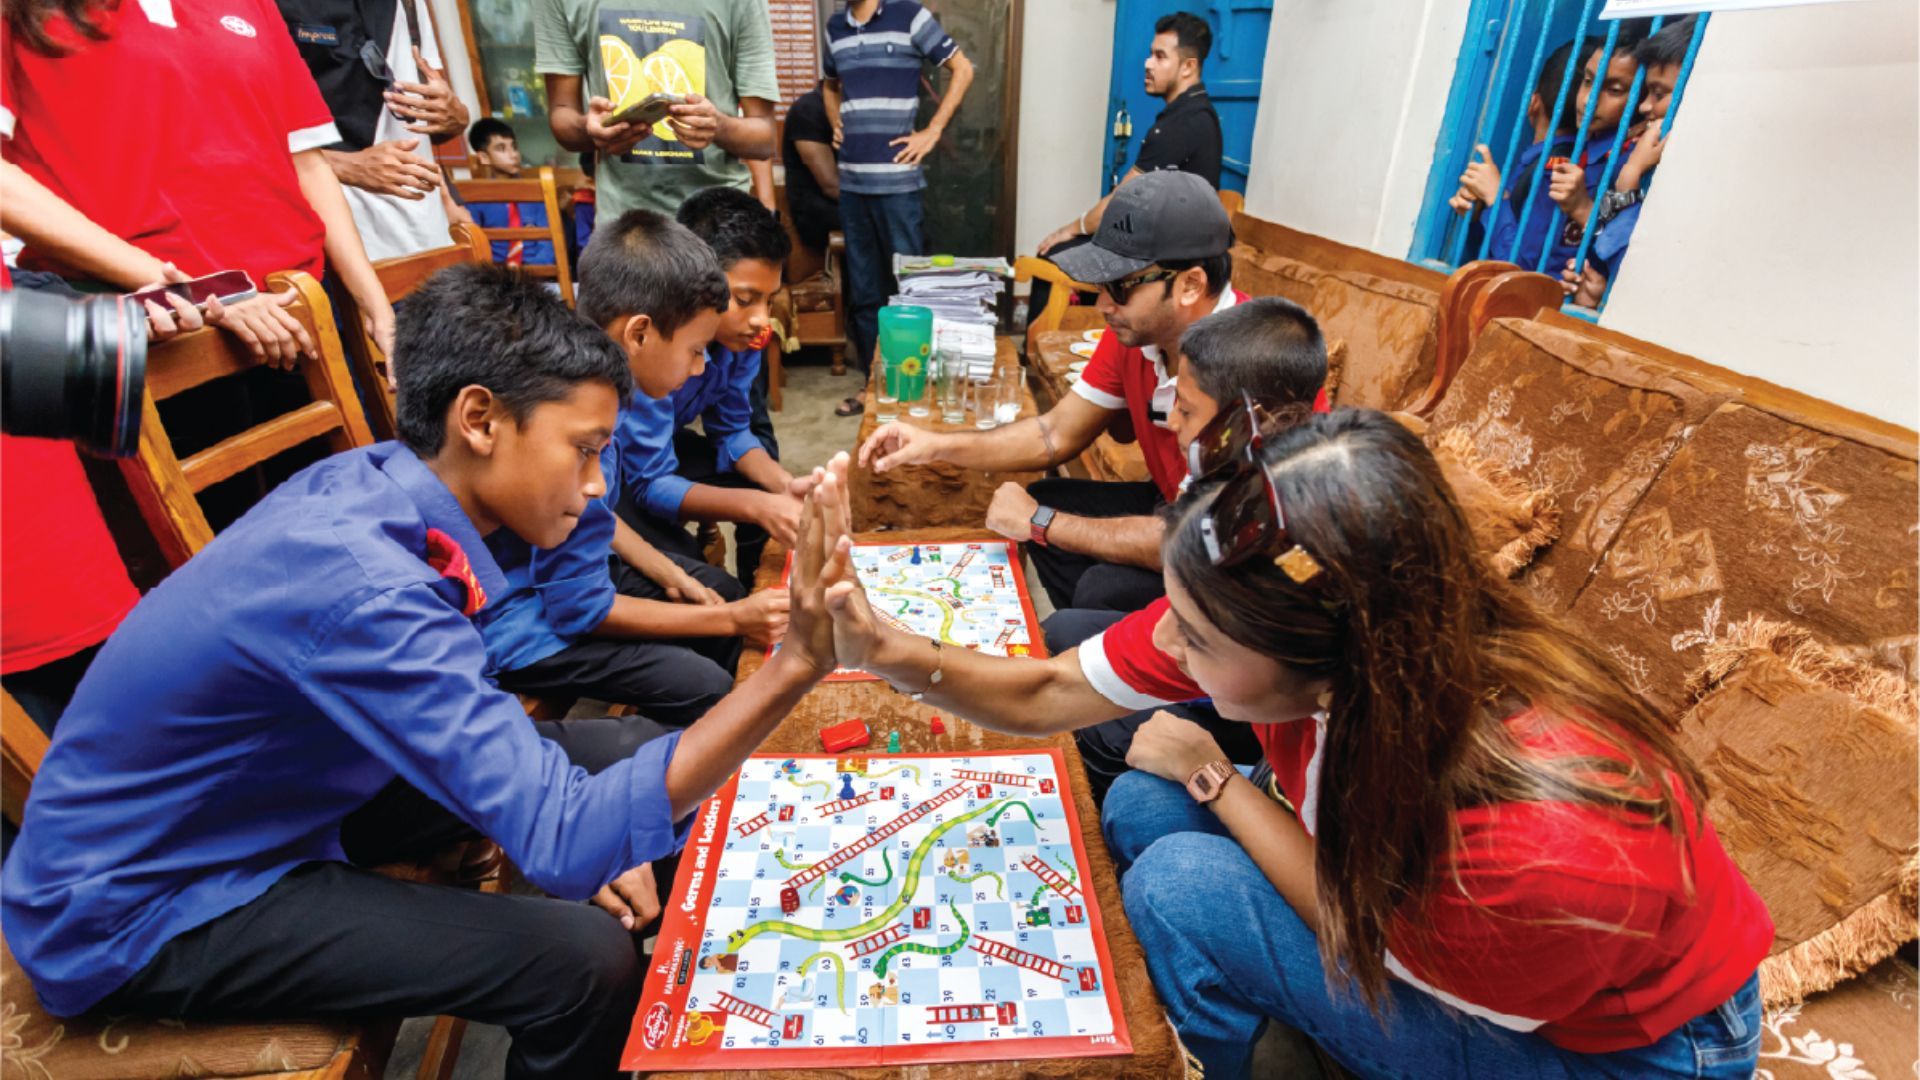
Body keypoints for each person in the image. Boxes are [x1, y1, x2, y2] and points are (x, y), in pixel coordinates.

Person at [2, 264, 855, 1080]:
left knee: (626, 745)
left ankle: (671, 996)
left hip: (277, 794)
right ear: (479, 419)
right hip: (154, 900)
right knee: (579, 960)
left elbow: (485, 739)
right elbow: (560, 843)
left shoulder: (378, 480)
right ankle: (615, 1013)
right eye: (585, 450)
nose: (599, 487)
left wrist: (577, 819)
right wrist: (794, 666)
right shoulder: (368, 588)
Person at [820, 408, 1772, 1080]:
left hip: (1615, 1053)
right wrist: (880, 648)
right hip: (1413, 903)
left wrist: (1214, 778)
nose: (1170, 646)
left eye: (1198, 639)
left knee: (1176, 882)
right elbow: (1046, 691)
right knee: (1142, 803)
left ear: (1325, 652)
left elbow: (1363, 929)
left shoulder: (1538, 845)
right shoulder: (1312, 630)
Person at [859, 169, 1241, 615]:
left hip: (1228, 567)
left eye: (1119, 287)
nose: (1103, 306)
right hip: (1173, 504)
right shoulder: (1138, 335)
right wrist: (936, 446)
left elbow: (1204, 539)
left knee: (1095, 584)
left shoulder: (1253, 364)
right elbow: (1054, 433)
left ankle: (1099, 650)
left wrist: (1043, 525)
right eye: (1100, 287)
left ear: (1190, 284)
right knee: (1048, 502)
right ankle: (1090, 637)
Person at [482, 212, 790, 723]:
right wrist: (730, 620)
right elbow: (580, 608)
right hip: (524, 618)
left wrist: (666, 569)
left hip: (573, 576)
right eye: (694, 350)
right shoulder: (576, 428)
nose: (699, 367)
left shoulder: (603, 386)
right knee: (707, 682)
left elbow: (595, 517)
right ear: (640, 334)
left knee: (721, 592)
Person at [1, 0, 396, 363]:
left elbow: (304, 160)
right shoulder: (24, 12)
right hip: (153, 315)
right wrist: (195, 288)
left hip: (293, 304)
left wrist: (375, 303)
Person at [1052, 296, 1330, 799]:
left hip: (1265, 724)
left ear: (1244, 421)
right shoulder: (1240, 472)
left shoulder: (1293, 533)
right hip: (1265, 712)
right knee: (1070, 632)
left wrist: (1210, 773)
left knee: (1130, 778)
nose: (1171, 424)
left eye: (1183, 408)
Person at [613, 186, 797, 592]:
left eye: (769, 300)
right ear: (697, 282)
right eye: (745, 299)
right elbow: (647, 481)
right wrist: (759, 506)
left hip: (660, 450)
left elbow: (731, 431)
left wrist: (785, 486)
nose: (760, 319)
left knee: (763, 482)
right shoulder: (651, 347)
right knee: (698, 573)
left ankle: (760, 587)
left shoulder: (743, 339)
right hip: (614, 474)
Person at [822, 0, 975, 417]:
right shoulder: (835, 27)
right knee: (866, 294)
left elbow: (963, 69)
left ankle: (914, 386)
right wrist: (837, 120)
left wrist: (933, 130)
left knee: (911, 290)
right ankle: (875, 386)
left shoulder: (909, 16)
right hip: (852, 186)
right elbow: (830, 84)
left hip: (899, 189)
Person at [533, 0, 779, 222]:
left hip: (719, 225)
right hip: (624, 226)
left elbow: (764, 138)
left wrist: (719, 126)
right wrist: (591, 129)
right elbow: (562, 114)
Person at [275, 0, 475, 262]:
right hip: (336, 238)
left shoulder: (411, 5)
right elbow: (248, 139)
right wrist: (345, 165)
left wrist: (457, 117)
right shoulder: (265, 9)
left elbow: (421, 115)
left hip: (427, 226)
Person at [1449, 27, 1647, 274]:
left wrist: (1496, 199)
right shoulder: (1581, 156)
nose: (1588, 99)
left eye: (1614, 90)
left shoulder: (1629, 166)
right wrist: (1481, 212)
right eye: (1587, 81)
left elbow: (1521, 269)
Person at [1037, 12, 1223, 256]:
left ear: (1188, 66)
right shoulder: (1194, 110)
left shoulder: (1184, 123)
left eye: (1160, 57)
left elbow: (1120, 204)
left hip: (1171, 261)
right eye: (1151, 54)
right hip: (1167, 244)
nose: (1147, 64)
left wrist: (1070, 229)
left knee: (1053, 253)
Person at [1558, 18, 1695, 307]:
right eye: (1586, 80)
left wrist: (1628, 176)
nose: (1645, 105)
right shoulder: (1619, 156)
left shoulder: (1637, 161)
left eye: (1657, 94)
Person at [466, 117, 556, 268]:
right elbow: (475, 250)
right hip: (495, 276)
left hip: (535, 274)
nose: (513, 154)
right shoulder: (477, 198)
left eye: (514, 147)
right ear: (484, 157)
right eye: (501, 149)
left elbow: (548, 248)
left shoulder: (536, 194)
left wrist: (528, 269)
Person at [781, 81, 842, 255]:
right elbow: (831, 185)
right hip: (817, 213)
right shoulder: (808, 109)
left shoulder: (854, 111)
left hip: (845, 205)